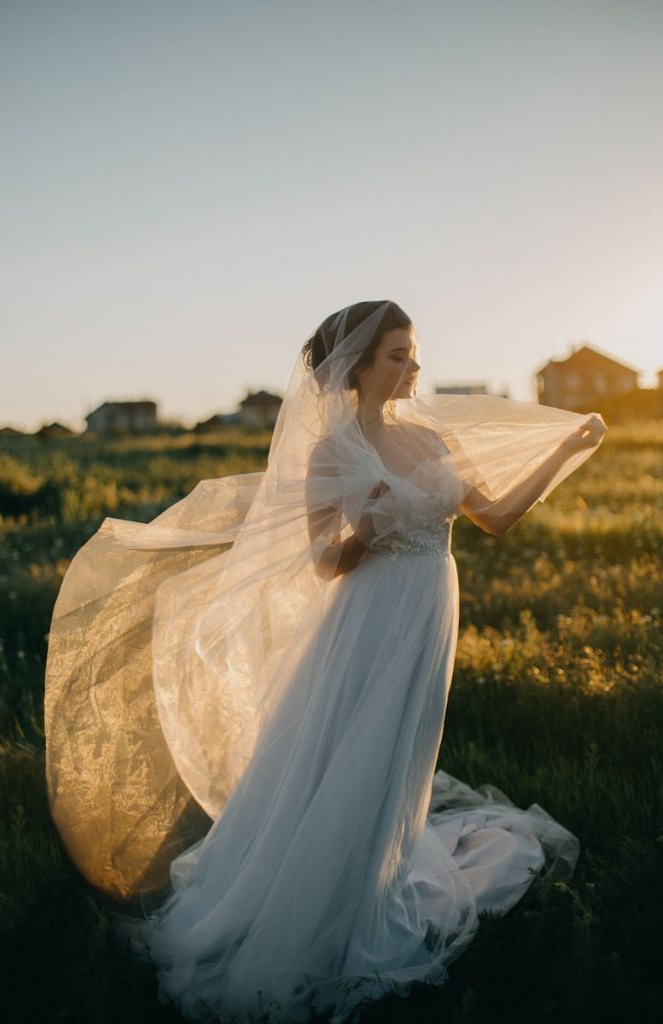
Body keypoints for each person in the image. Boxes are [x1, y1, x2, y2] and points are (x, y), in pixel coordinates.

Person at [44, 300, 606, 1024]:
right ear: (359, 366)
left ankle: (377, 873)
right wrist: (364, 534)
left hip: (428, 609)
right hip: (367, 618)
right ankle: (325, 905)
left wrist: (566, 449)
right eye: (397, 355)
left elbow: (493, 517)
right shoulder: (330, 452)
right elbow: (322, 565)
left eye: (413, 353)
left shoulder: (429, 436)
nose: (413, 367)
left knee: (401, 755)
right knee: (353, 755)